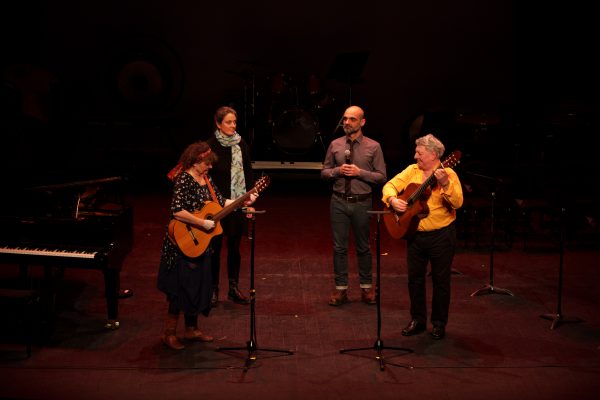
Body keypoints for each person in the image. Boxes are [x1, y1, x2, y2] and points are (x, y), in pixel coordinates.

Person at [157, 141, 257, 350]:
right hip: (182, 242)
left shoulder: (206, 179)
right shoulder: (184, 179)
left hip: (201, 243)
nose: (210, 167)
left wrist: (243, 200)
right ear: (195, 161)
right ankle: (169, 333)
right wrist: (202, 222)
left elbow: (221, 203)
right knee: (180, 288)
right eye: (207, 163)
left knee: (197, 286)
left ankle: (192, 330)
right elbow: (177, 211)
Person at [381, 133, 463, 340]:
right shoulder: (412, 170)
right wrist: (392, 200)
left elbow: (458, 202)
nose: (415, 156)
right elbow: (389, 185)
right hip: (415, 236)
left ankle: (438, 323)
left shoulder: (449, 173)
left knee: (441, 281)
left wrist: (444, 184)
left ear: (434, 154)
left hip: (441, 235)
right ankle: (417, 320)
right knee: (415, 280)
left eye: (419, 152)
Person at [321, 105, 387, 306]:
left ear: (362, 122)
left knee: (363, 247)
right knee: (339, 248)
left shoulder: (373, 147)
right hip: (339, 201)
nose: (347, 122)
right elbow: (324, 172)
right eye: (345, 119)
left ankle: (366, 288)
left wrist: (360, 173)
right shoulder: (335, 145)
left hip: (362, 202)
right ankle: (341, 290)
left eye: (352, 119)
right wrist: (337, 171)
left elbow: (382, 177)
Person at [206, 106, 254, 306]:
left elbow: (248, 172)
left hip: (237, 203)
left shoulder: (241, 143)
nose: (233, 126)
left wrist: (250, 200)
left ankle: (233, 288)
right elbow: (204, 178)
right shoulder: (210, 147)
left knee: (234, 247)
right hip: (215, 205)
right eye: (228, 122)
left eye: (234, 122)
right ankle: (213, 290)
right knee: (214, 248)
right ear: (218, 124)